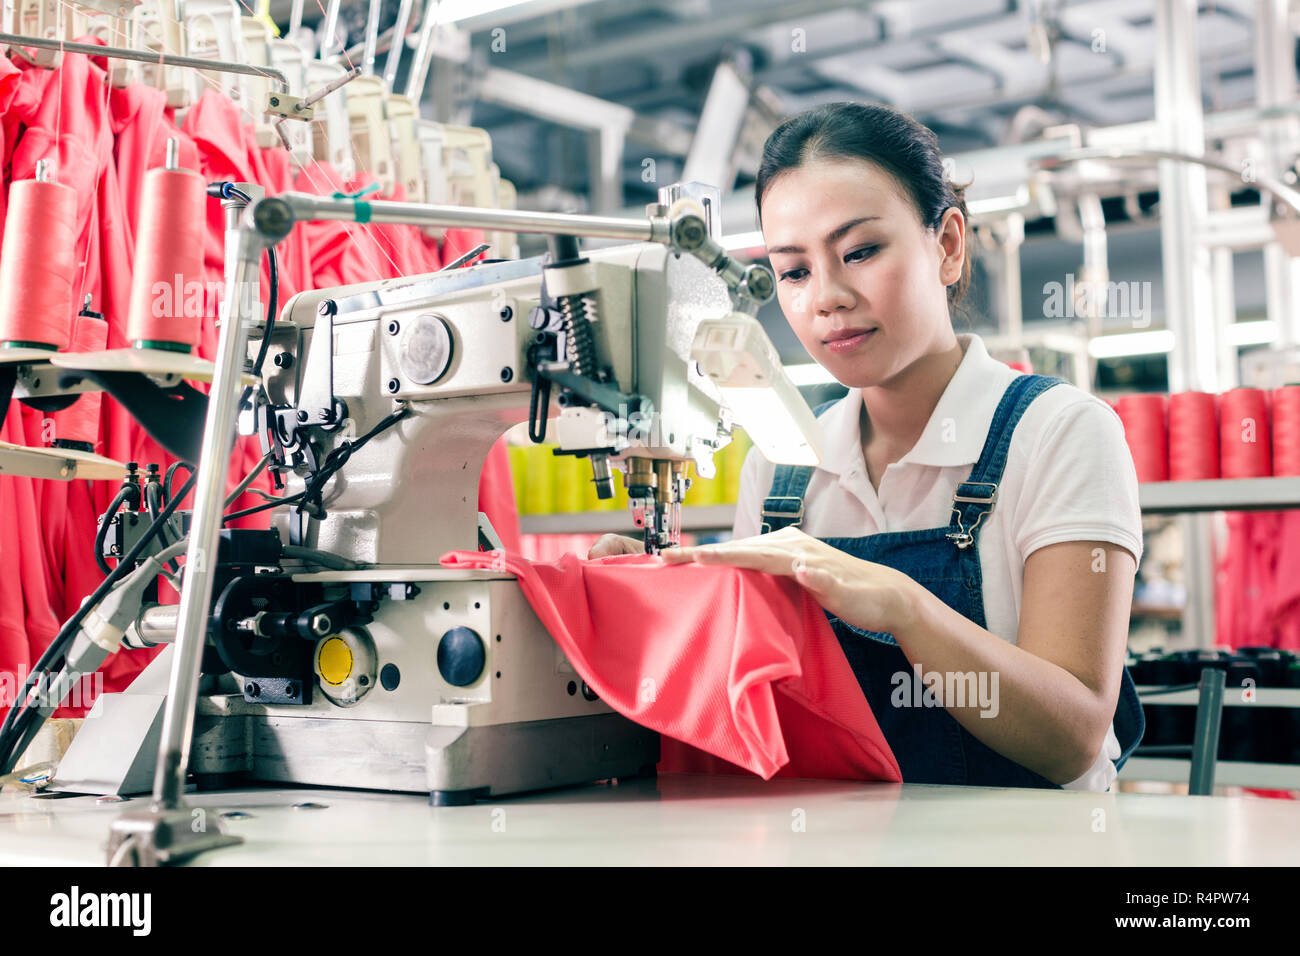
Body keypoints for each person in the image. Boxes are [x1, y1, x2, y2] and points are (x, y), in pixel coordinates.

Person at [590, 101, 1145, 791]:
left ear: (947, 245)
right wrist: (650, 608)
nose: (827, 298)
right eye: (793, 272)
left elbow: (1072, 737)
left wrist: (906, 609)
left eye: (859, 252)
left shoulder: (1061, 433)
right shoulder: (782, 462)